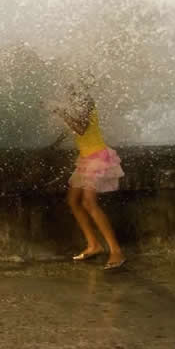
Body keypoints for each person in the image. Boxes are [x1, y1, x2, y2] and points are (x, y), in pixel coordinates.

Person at [48, 83, 126, 270]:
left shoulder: (88, 103)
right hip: (86, 159)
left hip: (98, 158)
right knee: (74, 201)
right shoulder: (78, 107)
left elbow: (81, 128)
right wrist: (53, 145)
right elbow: (73, 130)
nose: (69, 95)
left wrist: (60, 112)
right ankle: (94, 245)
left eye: (72, 91)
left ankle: (116, 251)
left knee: (89, 203)